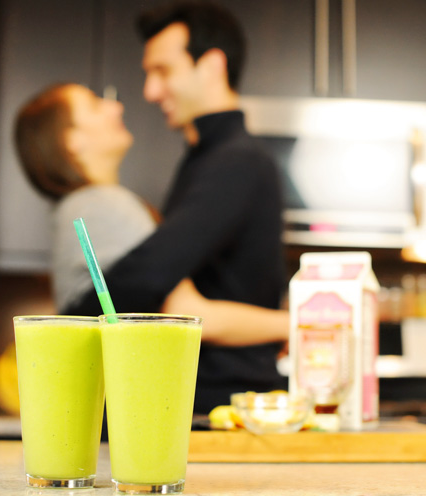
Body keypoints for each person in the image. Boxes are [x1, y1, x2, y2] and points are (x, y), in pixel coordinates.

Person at [63, 1, 288, 412]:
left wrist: (68, 325)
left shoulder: (238, 160)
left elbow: (153, 272)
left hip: (224, 405)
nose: (149, 91)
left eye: (163, 71)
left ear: (212, 66)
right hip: (205, 399)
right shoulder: (205, 157)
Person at [14, 82, 288, 349]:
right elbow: (187, 314)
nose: (116, 107)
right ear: (71, 140)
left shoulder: (76, 208)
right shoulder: (103, 206)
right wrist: (294, 323)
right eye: (96, 106)